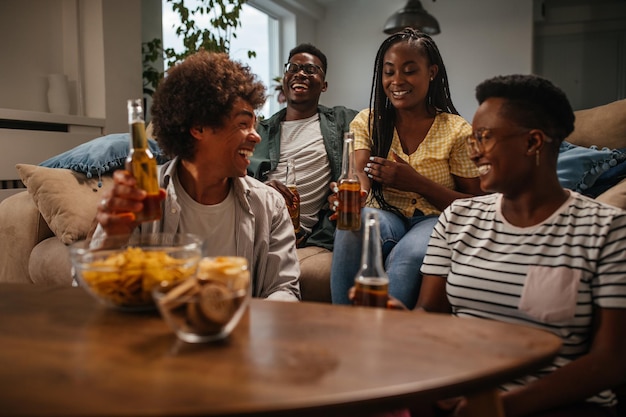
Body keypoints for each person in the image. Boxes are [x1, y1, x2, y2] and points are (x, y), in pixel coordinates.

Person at [418, 74, 626, 416]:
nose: (474, 154)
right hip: (461, 398)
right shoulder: (458, 217)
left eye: (483, 139)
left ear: (533, 143)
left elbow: (611, 361)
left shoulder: (607, 230)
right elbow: (430, 313)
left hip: (560, 405)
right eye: (472, 141)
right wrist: (403, 329)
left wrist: (499, 407)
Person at [93, 51, 300, 301]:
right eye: (243, 124)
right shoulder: (141, 196)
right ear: (198, 127)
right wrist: (111, 240)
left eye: (255, 126)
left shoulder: (270, 205)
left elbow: (284, 290)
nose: (256, 136)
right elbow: (91, 293)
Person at [330, 28, 482, 309]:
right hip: (382, 214)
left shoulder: (457, 130)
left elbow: (476, 203)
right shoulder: (368, 121)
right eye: (389, 72)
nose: (397, 80)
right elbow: (359, 173)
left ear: (432, 72)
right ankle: (343, 326)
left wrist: (417, 182)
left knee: (410, 254)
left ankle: (386, 337)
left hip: (434, 219)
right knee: (351, 226)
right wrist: (356, 198)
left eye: (409, 70)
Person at [250, 43, 358, 250]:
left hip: (297, 237)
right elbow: (230, 180)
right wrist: (259, 189)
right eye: (293, 68)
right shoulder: (259, 131)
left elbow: (382, 118)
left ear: (324, 85)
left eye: (310, 70)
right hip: (253, 219)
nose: (300, 74)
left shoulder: (342, 120)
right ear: (285, 79)